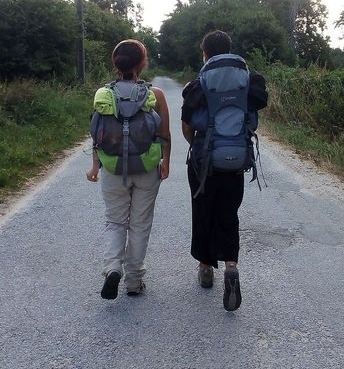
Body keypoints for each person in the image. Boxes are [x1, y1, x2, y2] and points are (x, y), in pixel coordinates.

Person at [181, 30, 267, 311]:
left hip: (204, 163)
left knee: (203, 213)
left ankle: (206, 268)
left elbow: (186, 125)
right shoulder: (247, 81)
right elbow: (251, 120)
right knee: (229, 215)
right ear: (230, 50)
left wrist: (198, 146)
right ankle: (231, 267)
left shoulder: (198, 84)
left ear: (205, 53)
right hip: (235, 162)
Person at [87, 39, 171, 300]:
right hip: (146, 167)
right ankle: (134, 280)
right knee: (140, 224)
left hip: (113, 168)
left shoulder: (103, 94)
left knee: (115, 222)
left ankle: (113, 268)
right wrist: (166, 161)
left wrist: (95, 166)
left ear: (115, 63)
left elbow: (97, 134)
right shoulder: (154, 94)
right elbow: (164, 134)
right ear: (142, 64)